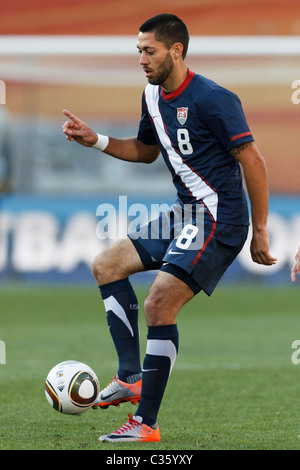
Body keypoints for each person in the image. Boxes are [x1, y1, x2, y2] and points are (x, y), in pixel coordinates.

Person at [62, 13, 277, 443]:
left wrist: (261, 229)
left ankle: (145, 425)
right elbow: (145, 151)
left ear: (176, 51)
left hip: (220, 218)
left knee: (159, 304)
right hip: (186, 212)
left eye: (149, 51)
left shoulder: (214, 98)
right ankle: (129, 377)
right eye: (138, 51)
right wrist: (97, 140)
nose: (141, 59)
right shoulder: (151, 95)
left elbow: (252, 159)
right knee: (106, 265)